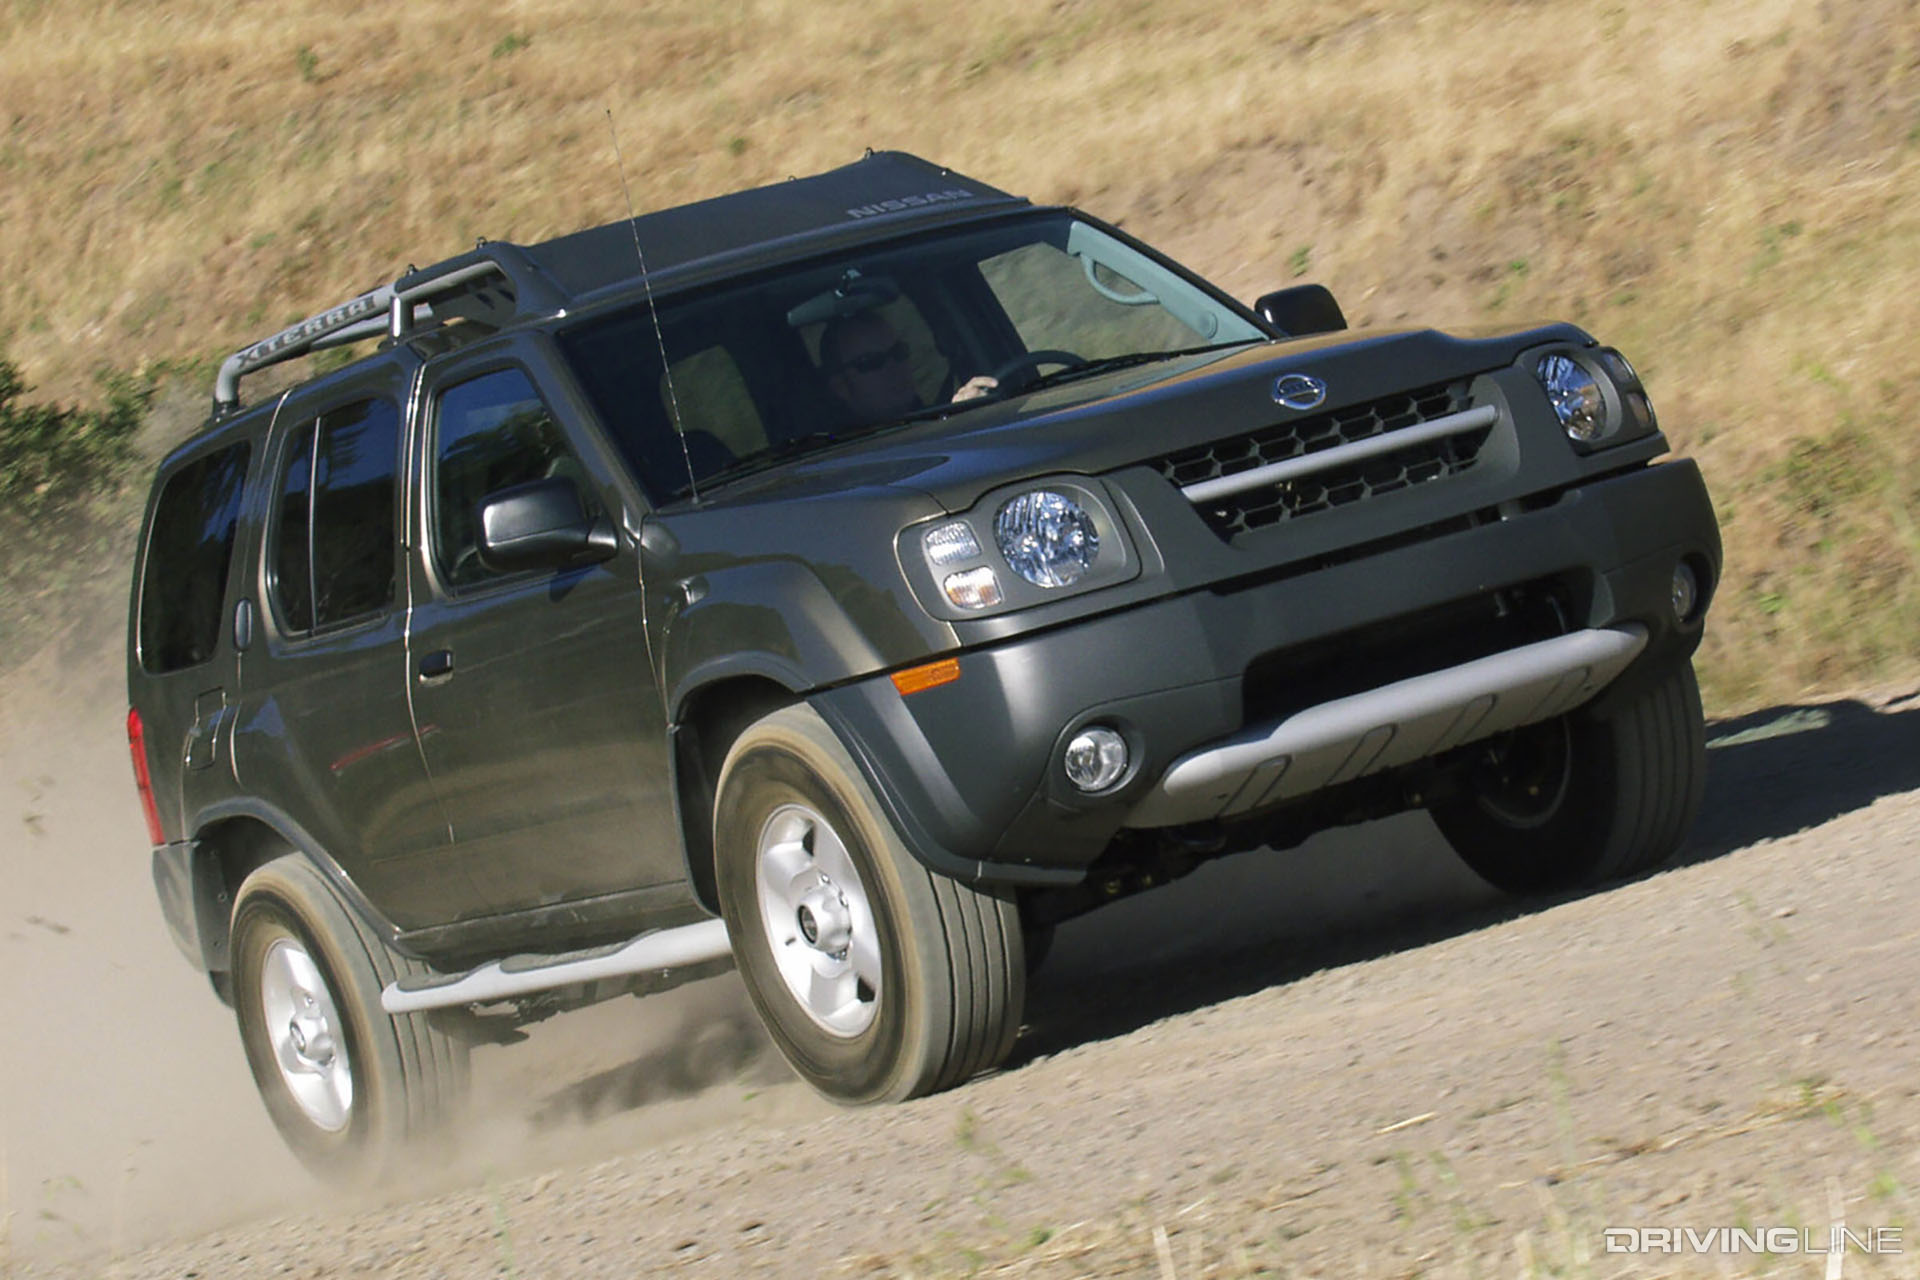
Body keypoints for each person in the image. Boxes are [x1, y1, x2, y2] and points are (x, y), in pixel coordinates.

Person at [819, 311, 998, 425]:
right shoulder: (846, 458)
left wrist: (963, 414)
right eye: (871, 362)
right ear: (840, 387)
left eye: (898, 352)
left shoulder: (933, 415)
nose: (894, 367)